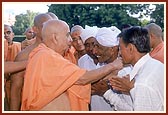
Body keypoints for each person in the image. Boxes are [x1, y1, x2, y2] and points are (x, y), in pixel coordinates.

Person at [20, 19, 123, 111]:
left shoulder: (49, 55)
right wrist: (113, 66)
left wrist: (113, 71)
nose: (70, 40)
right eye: (67, 35)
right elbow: (82, 78)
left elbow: (76, 81)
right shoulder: (46, 56)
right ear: (55, 38)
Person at [104, 26, 164, 111]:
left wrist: (132, 89)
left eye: (120, 49)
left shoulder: (141, 84)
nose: (119, 54)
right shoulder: (157, 65)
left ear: (131, 48)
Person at [10, 13, 52, 111]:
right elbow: (15, 90)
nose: (49, 29)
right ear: (35, 29)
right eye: (45, 26)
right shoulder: (24, 56)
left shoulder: (59, 50)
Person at [90, 27, 133, 111]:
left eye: (99, 47)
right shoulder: (100, 65)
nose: (94, 51)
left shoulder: (125, 72)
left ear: (112, 49)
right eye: (94, 46)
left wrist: (106, 92)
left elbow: (130, 109)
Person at [4, 24, 21, 110]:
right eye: (3, 33)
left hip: (16, 80)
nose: (6, 35)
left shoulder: (19, 46)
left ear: (13, 35)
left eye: (8, 32)